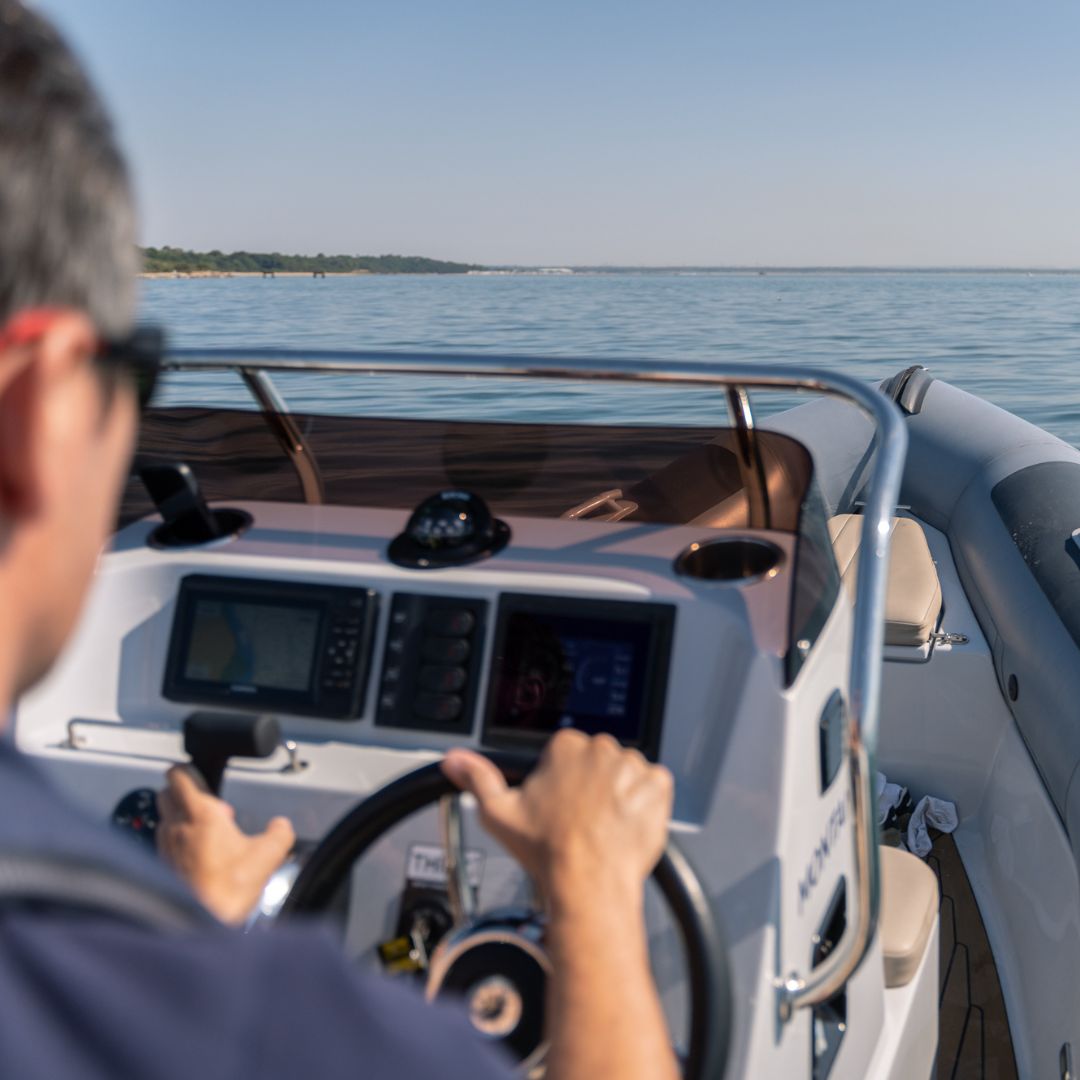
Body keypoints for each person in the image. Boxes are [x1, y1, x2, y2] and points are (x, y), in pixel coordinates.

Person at [0, 4, 679, 1078]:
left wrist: (186, 933)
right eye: (130, 377)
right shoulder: (254, 1026)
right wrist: (590, 893)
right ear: (40, 410)